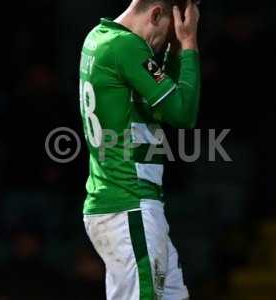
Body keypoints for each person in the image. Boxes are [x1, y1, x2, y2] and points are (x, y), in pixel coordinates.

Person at [80, 0, 200, 299]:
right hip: (129, 204)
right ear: (157, 12)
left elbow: (162, 103)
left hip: (117, 202)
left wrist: (172, 46)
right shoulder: (127, 48)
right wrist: (189, 44)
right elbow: (183, 113)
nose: (164, 42)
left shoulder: (99, 38)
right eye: (170, 29)